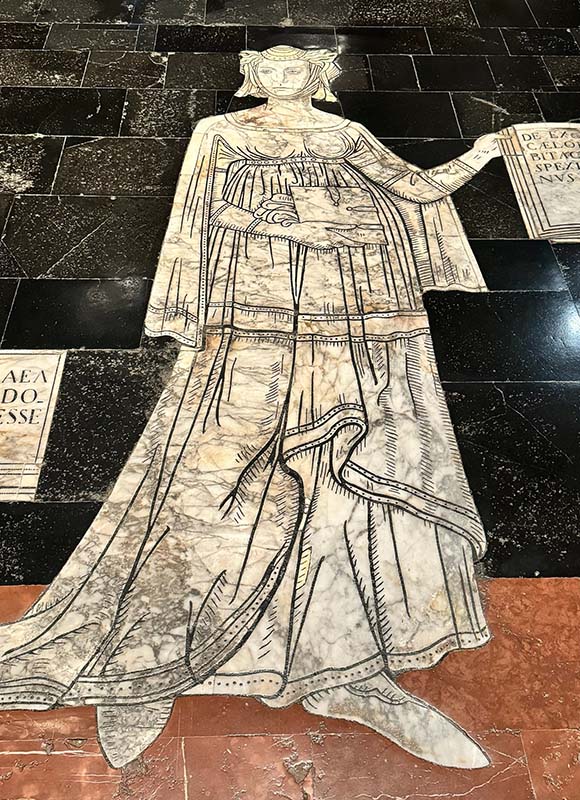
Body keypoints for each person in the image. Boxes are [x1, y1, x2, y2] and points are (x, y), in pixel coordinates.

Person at [0, 45, 505, 770]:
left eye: (291, 66)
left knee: (347, 472)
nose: (276, 75)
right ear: (250, 77)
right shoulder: (221, 132)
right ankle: (146, 655)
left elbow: (417, 190)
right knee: (213, 475)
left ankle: (349, 670)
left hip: (352, 311)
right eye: (264, 68)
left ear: (317, 76)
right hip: (253, 315)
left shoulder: (345, 136)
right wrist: (287, 230)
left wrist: (485, 151)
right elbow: (207, 216)